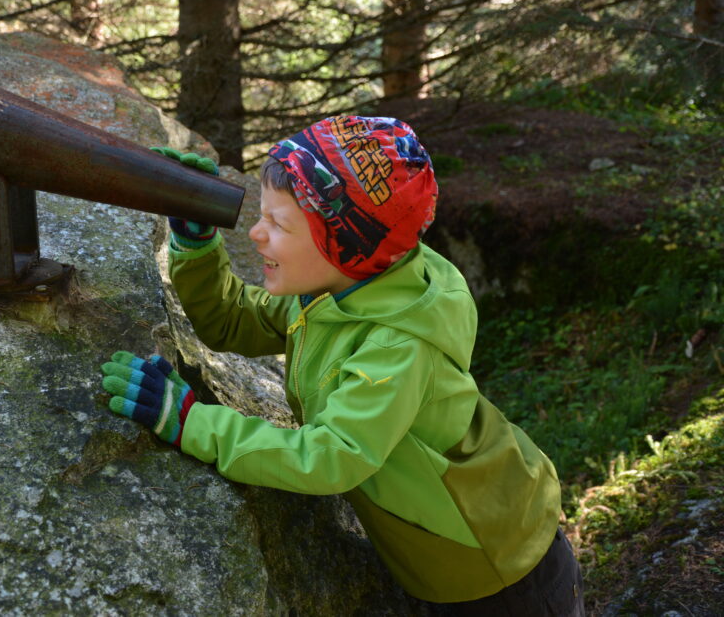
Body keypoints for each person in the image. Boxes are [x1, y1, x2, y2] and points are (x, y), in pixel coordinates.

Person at [100, 115, 585, 615]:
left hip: (498, 569)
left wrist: (191, 423)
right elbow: (233, 322)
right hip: (456, 549)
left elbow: (333, 456)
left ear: (348, 248)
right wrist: (196, 243)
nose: (257, 235)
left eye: (280, 224)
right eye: (263, 215)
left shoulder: (396, 347)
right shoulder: (338, 289)